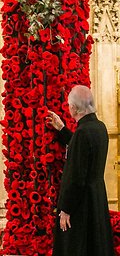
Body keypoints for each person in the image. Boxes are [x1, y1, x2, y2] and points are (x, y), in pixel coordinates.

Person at [46, 85, 114, 255]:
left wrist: (65, 209)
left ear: (74, 108)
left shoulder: (83, 132)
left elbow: (76, 177)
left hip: (82, 203)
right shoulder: (99, 127)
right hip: (96, 197)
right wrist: (62, 129)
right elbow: (83, 149)